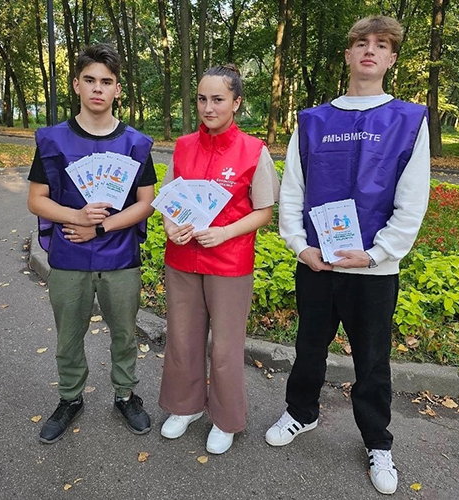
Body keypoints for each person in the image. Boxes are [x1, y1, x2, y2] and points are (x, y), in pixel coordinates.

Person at [266, 16, 430, 495]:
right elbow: (293, 191)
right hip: (317, 263)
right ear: (348, 54)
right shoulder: (312, 121)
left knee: (373, 361)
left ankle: (378, 441)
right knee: (309, 347)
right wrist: (300, 246)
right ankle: (301, 413)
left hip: (373, 269)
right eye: (361, 43)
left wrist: (378, 254)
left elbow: (412, 200)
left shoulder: (409, 120)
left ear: (392, 58)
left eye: (380, 44)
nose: (369, 50)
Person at [27, 43, 157, 444]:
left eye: (106, 81)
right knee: (68, 337)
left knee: (125, 334)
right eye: (90, 80)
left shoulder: (135, 144)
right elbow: (36, 199)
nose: (98, 88)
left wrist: (99, 228)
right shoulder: (53, 141)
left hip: (120, 259)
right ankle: (70, 398)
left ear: (118, 89)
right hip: (69, 255)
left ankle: (125, 395)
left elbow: (146, 203)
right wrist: (77, 217)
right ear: (76, 85)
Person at [157, 64, 280, 454]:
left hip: (229, 262)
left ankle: (225, 419)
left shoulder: (253, 151)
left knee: (226, 347)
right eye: (201, 99)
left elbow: (264, 211)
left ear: (236, 102)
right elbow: (168, 200)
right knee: (182, 338)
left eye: (218, 99)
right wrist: (170, 226)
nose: (208, 108)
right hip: (182, 260)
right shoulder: (183, 146)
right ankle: (186, 406)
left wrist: (225, 232)